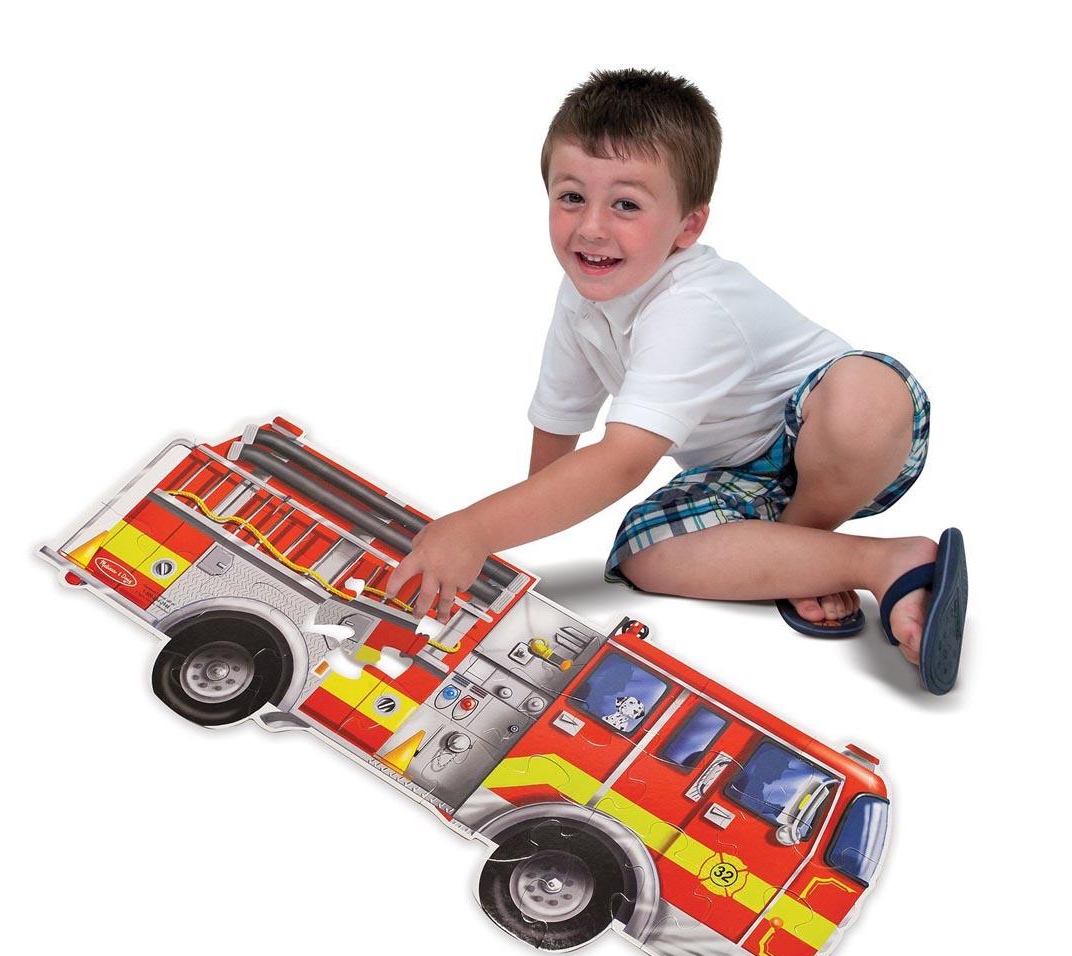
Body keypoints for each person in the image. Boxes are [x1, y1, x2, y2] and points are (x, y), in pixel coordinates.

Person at [385, 68, 967, 694]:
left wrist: (472, 529)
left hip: (839, 437)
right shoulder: (582, 297)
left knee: (865, 395)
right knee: (643, 555)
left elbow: (621, 464)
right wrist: (503, 549)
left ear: (688, 228)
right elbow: (558, 423)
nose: (591, 229)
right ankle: (881, 562)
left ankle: (804, 545)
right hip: (743, 479)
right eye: (571, 197)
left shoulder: (693, 303)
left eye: (627, 205)